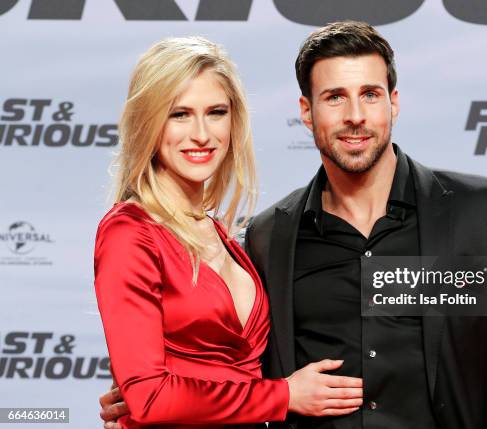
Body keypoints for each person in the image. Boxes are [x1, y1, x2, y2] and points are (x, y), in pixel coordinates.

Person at [101, 23, 487, 429]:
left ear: (393, 103)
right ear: (307, 111)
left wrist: (158, 395)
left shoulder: (483, 212)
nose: (355, 116)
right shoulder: (269, 237)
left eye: (370, 94)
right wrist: (145, 397)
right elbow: (221, 359)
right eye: (334, 97)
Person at [94, 36, 362, 429]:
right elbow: (151, 397)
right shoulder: (130, 232)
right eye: (179, 114)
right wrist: (284, 395)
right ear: (148, 122)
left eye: (216, 112)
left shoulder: (221, 233)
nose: (201, 134)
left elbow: (225, 370)